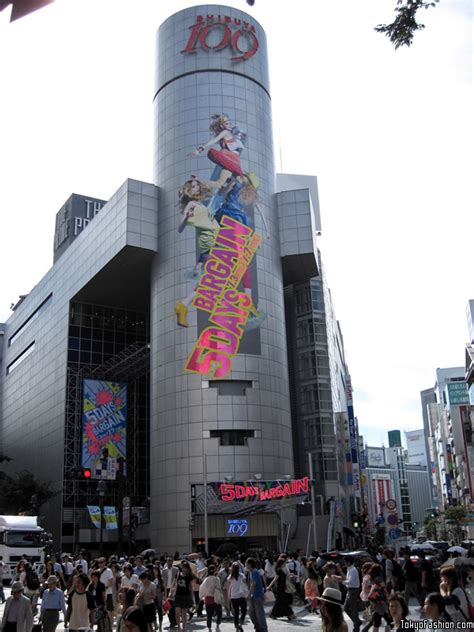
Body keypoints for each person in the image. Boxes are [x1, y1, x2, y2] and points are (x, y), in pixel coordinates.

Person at [362, 564, 391, 632]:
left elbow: (366, 588)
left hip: (373, 600)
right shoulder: (379, 578)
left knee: (379, 618)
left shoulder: (369, 577)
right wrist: (388, 596)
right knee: (379, 619)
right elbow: (384, 588)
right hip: (380, 601)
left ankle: (365, 629)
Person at [171, 561, 196, 632]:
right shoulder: (178, 574)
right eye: (183, 567)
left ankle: (184, 628)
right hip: (177, 596)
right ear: (181, 567)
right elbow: (173, 583)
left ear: (188, 568)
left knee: (184, 614)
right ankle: (179, 627)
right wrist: (170, 592)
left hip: (186, 596)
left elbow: (191, 587)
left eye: (186, 568)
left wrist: (192, 598)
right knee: (177, 613)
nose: (184, 569)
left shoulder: (189, 576)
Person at [246, 558, 268, 632]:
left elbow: (253, 584)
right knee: (251, 613)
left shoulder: (255, 572)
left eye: (246, 563)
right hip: (253, 596)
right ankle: (257, 627)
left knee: (259, 614)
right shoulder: (251, 572)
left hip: (257, 595)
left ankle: (263, 629)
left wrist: (249, 594)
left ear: (250, 564)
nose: (245, 565)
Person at [199, 565, 223, 631]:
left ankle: (209, 628)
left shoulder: (206, 579)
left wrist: (201, 597)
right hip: (216, 598)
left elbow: (202, 589)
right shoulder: (216, 578)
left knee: (209, 615)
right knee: (219, 613)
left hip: (208, 598)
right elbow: (219, 587)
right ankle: (217, 626)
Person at [227, 561, 248, 632]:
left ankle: (237, 627)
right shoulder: (242, 575)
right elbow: (245, 585)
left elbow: (229, 587)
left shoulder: (230, 577)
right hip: (241, 596)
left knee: (236, 612)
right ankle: (240, 624)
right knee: (244, 611)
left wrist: (229, 596)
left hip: (234, 597)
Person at [343, 556, 362, 632]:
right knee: (346, 608)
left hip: (353, 590)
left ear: (349, 562)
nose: (344, 563)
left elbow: (349, 582)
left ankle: (356, 626)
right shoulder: (350, 569)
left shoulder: (353, 570)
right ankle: (357, 621)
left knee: (353, 609)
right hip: (350, 590)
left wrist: (341, 581)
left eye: (345, 562)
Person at [98, 558, 115, 627]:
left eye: (101, 562)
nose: (100, 564)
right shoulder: (97, 571)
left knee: (109, 609)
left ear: (105, 562)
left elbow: (111, 581)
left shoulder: (108, 571)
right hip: (99, 593)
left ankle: (110, 624)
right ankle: (101, 625)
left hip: (108, 593)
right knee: (100, 609)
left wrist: (105, 588)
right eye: (99, 562)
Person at [162, 557, 179, 629]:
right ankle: (171, 621)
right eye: (167, 561)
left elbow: (178, 580)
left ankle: (174, 621)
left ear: (172, 562)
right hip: (166, 589)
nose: (169, 562)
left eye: (170, 561)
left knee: (174, 606)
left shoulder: (176, 569)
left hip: (173, 589)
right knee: (168, 606)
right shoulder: (164, 571)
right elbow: (163, 581)